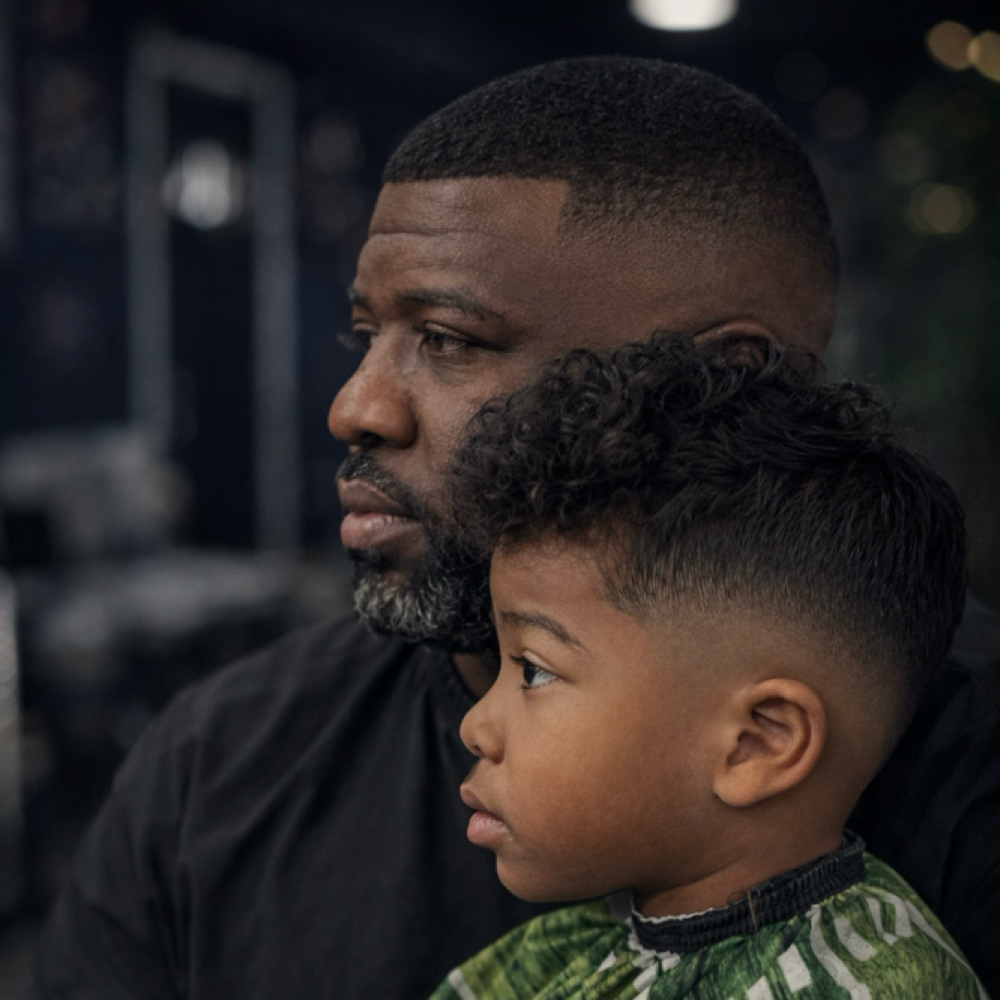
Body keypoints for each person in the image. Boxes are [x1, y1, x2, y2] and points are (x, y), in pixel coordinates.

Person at [32, 58, 1000, 999]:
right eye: (364, 336)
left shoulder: (970, 785)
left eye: (448, 340)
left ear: (733, 382)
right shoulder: (218, 768)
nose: (354, 406)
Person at [430, 334, 987, 1000]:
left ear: (757, 742)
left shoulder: (865, 988)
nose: (476, 726)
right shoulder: (563, 952)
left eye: (534, 671)